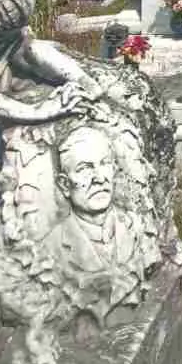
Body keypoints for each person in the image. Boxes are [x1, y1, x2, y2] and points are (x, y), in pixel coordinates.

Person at [46, 125, 161, 326]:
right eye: (84, 169)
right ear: (64, 184)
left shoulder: (138, 227)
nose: (99, 178)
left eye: (104, 164)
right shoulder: (52, 246)